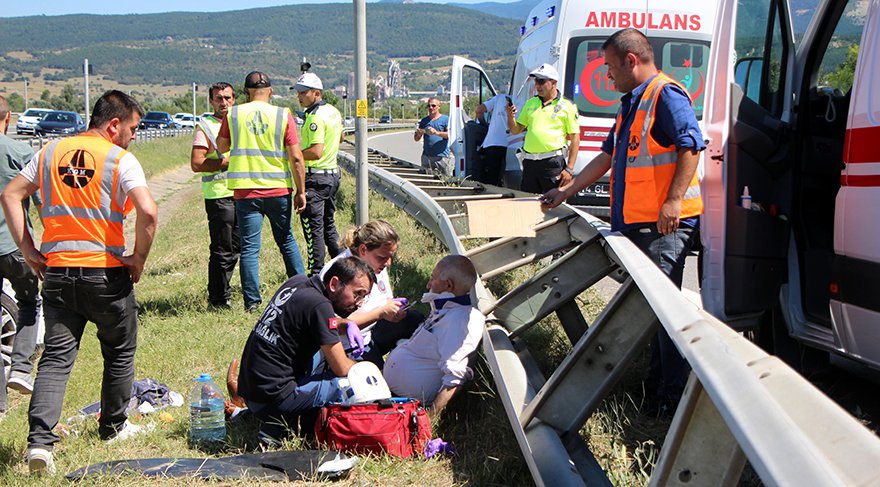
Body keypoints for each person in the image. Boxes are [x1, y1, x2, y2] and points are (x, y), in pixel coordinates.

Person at [541, 28, 704, 416]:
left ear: (632, 61)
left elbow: (691, 145)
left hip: (662, 227)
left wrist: (674, 201)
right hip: (638, 225)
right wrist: (567, 191)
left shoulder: (665, 95)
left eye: (612, 68)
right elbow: (607, 158)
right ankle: (655, 392)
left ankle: (670, 400)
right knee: (652, 313)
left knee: (667, 317)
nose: (608, 77)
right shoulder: (633, 102)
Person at [0, 90, 158, 474]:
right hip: (106, 274)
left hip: (57, 273)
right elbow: (149, 212)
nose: (135, 135)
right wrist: (137, 259)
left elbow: (11, 194)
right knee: (119, 350)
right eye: (133, 128)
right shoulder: (121, 159)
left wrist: (29, 250)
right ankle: (114, 426)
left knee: (55, 360)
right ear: (114, 124)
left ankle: (40, 443)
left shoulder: (50, 152)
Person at [234, 256, 375, 443]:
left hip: (253, 391)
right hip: (272, 400)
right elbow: (341, 368)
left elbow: (317, 324)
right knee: (349, 384)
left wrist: (346, 324)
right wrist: (367, 370)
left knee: (320, 356)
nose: (359, 303)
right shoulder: (320, 305)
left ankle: (279, 419)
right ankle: (280, 428)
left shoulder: (297, 283)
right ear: (334, 284)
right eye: (358, 294)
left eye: (364, 296)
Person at [216, 71, 307, 312]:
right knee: (286, 240)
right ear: (271, 90)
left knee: (249, 248)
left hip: (246, 192)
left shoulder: (233, 114)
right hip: (278, 190)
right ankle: (303, 292)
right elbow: (297, 157)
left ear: (245, 91)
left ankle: (252, 303)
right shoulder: (282, 115)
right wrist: (301, 191)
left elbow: (221, 146)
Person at [383, 255, 485, 416]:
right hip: (392, 391)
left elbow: (455, 377)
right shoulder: (447, 311)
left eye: (433, 278)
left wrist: (430, 419)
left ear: (448, 285)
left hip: (407, 404)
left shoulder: (460, 321)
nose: (428, 284)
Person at [319, 221, 423, 366]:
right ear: (363, 250)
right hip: (347, 345)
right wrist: (381, 313)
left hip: (371, 332)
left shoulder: (376, 265)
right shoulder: (338, 271)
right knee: (376, 382)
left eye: (391, 256)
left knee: (415, 320)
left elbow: (384, 297)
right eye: (382, 257)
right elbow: (331, 325)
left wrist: (393, 308)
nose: (388, 263)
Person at [0, 95, 41, 412]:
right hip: (14, 247)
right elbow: (43, 202)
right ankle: (22, 367)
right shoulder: (20, 151)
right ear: (8, 117)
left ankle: (0, 401)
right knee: (29, 302)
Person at [191, 81, 240, 308]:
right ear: (211, 100)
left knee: (237, 248)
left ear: (234, 99)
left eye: (228, 98)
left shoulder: (239, 122)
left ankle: (224, 292)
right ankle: (218, 300)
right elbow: (197, 163)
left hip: (242, 193)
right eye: (219, 98)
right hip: (219, 196)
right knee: (222, 250)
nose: (224, 102)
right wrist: (227, 162)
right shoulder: (206, 127)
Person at [294, 72, 344, 276]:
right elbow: (340, 137)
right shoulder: (333, 111)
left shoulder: (314, 117)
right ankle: (342, 267)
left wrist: (294, 154)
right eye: (297, 92)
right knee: (328, 226)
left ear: (317, 93)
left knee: (314, 229)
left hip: (316, 177)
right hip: (331, 175)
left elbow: (316, 151)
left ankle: (316, 273)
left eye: (304, 92)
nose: (299, 96)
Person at [506, 63, 580, 194]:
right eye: (536, 81)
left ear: (553, 82)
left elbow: (575, 138)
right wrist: (510, 116)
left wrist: (569, 168)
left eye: (541, 81)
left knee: (552, 205)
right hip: (529, 163)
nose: (537, 86)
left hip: (552, 164)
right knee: (527, 202)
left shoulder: (567, 106)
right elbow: (515, 130)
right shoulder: (530, 103)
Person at [474, 94, 512, 185]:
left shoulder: (499, 98)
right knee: (508, 175)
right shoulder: (525, 99)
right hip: (512, 143)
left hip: (493, 143)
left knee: (492, 177)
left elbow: (479, 111)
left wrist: (484, 124)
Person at [413, 97, 452, 175]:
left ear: (439, 107)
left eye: (433, 105)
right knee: (425, 180)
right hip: (426, 156)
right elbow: (416, 139)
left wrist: (436, 133)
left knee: (445, 180)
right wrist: (419, 133)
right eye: (429, 106)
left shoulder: (445, 119)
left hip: (441, 156)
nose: (431, 108)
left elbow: (450, 135)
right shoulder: (424, 121)